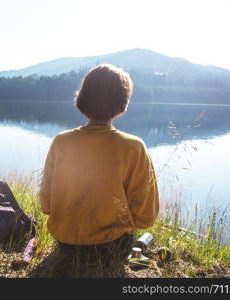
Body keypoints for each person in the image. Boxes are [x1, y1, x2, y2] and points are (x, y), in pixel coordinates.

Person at [38, 64, 160, 278]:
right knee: (142, 237)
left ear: (82, 99)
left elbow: (46, 205)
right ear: (123, 105)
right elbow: (146, 216)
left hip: (65, 242)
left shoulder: (61, 142)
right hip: (111, 247)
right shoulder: (134, 147)